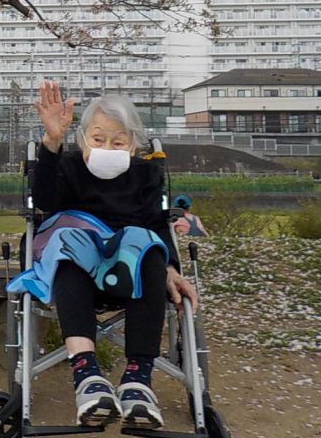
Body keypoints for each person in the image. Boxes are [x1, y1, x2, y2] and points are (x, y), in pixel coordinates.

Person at [31, 80, 198, 430]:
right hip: (76, 273)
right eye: (98, 139)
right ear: (82, 140)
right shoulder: (68, 166)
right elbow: (44, 201)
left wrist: (171, 266)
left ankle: (138, 381)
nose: (107, 147)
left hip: (130, 272)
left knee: (149, 247)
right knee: (69, 247)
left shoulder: (144, 175)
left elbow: (158, 223)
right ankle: (87, 375)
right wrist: (52, 142)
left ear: (134, 147)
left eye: (118, 141)